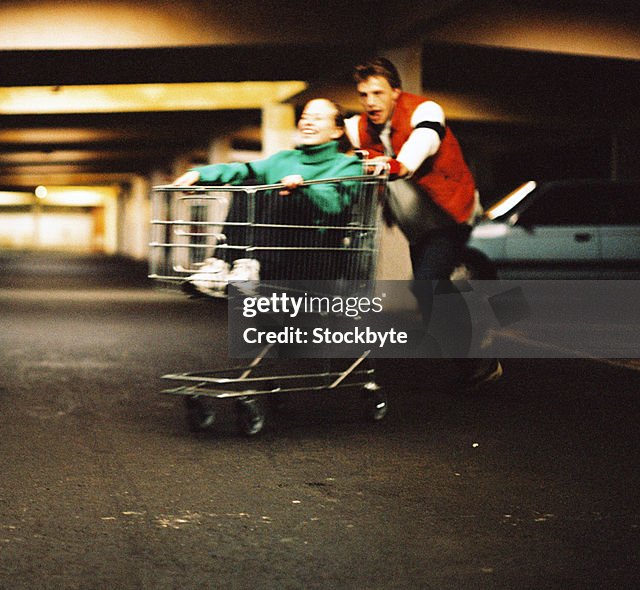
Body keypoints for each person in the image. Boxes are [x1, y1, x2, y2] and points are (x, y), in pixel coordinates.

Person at [345, 57, 501, 390]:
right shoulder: (360, 127)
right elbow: (331, 138)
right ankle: (473, 359)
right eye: (363, 95)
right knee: (429, 295)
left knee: (429, 285)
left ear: (395, 93)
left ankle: (477, 356)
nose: (370, 102)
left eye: (377, 93)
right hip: (417, 226)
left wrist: (402, 164)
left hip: (450, 215)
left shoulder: (424, 110)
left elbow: (427, 138)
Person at [172, 98, 365, 296]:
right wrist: (200, 175)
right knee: (248, 185)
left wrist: (304, 188)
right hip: (272, 250)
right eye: (305, 117)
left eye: (317, 118)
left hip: (313, 250)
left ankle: (251, 265)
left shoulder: (348, 166)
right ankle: (221, 264)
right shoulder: (283, 159)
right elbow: (243, 170)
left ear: (337, 131)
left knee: (284, 193)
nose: (307, 122)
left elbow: (335, 204)